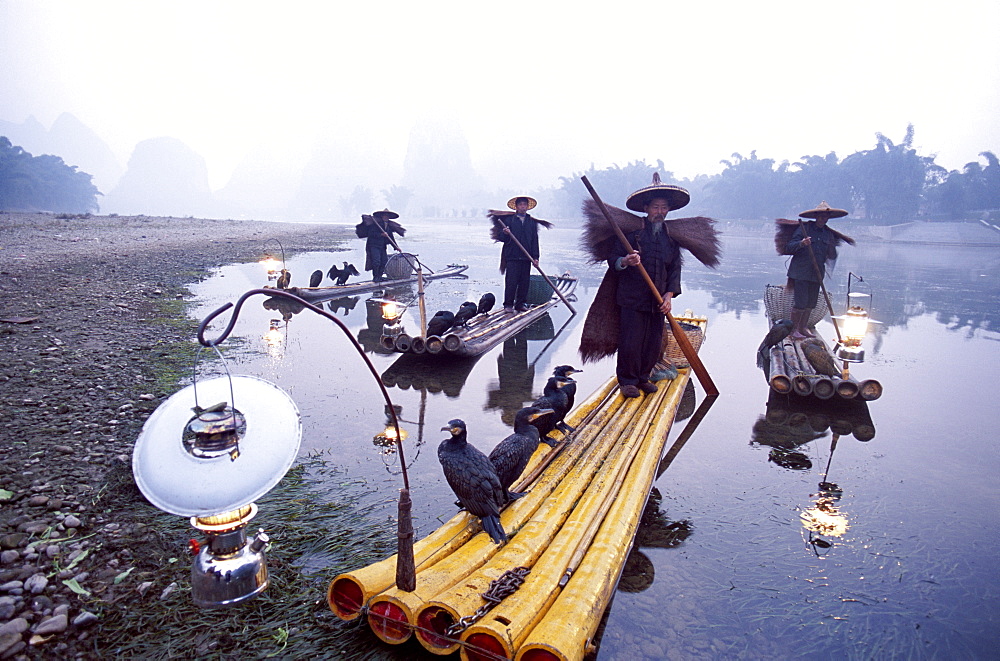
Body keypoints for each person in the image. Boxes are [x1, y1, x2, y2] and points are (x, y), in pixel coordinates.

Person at [606, 177, 689, 398]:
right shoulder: (631, 233)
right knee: (630, 342)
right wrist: (625, 261)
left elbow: (675, 269)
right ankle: (628, 381)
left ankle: (643, 377)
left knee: (652, 343)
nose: (659, 212)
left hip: (657, 301)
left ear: (668, 210)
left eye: (663, 207)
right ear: (646, 209)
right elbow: (613, 258)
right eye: (655, 207)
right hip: (632, 298)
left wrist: (669, 296)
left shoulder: (671, 238)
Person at [781, 201, 853, 340]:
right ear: (815, 216)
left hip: (817, 273)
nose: (822, 219)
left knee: (811, 303)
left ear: (828, 218)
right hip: (801, 271)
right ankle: (793, 330)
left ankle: (803, 327)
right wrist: (802, 243)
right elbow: (789, 247)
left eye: (825, 217)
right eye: (820, 216)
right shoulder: (805, 229)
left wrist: (831, 255)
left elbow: (831, 254)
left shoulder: (828, 234)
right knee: (800, 303)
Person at [498, 196, 541, 312]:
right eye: (520, 204)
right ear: (516, 207)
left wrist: (535, 257)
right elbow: (502, 238)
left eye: (524, 205)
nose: (523, 206)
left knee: (524, 282)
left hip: (526, 257)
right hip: (512, 256)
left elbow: (534, 241)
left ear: (527, 207)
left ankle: (520, 304)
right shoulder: (509, 221)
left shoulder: (531, 222)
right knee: (511, 281)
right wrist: (505, 233)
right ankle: (508, 305)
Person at [355, 209, 405, 283]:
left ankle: (380, 276)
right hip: (373, 245)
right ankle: (375, 277)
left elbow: (391, 237)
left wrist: (396, 247)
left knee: (384, 261)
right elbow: (371, 234)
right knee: (376, 261)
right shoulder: (376, 224)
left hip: (382, 246)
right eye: (384, 215)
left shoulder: (389, 225)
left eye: (387, 216)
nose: (386, 217)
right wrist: (381, 234)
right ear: (382, 216)